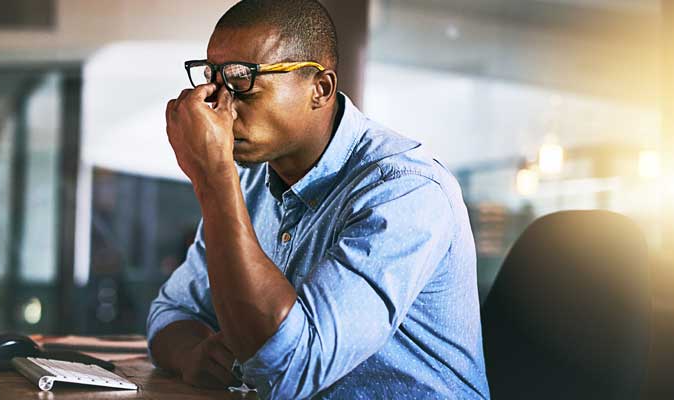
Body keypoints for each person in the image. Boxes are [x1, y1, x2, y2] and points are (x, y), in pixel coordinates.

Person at [146, 0, 489, 398]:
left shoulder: (404, 191)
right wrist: (193, 354)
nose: (219, 109)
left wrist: (212, 177)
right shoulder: (251, 179)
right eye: (214, 81)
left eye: (243, 82)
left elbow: (291, 366)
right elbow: (171, 312)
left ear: (320, 89)